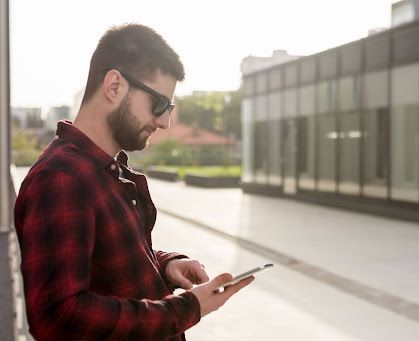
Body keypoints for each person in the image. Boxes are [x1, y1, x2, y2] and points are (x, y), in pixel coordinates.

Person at [14, 23, 254, 340]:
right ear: (114, 86)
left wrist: (165, 266)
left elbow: (108, 265)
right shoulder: (62, 178)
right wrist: (188, 307)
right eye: (159, 104)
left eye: (169, 108)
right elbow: (59, 317)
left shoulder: (105, 170)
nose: (165, 121)